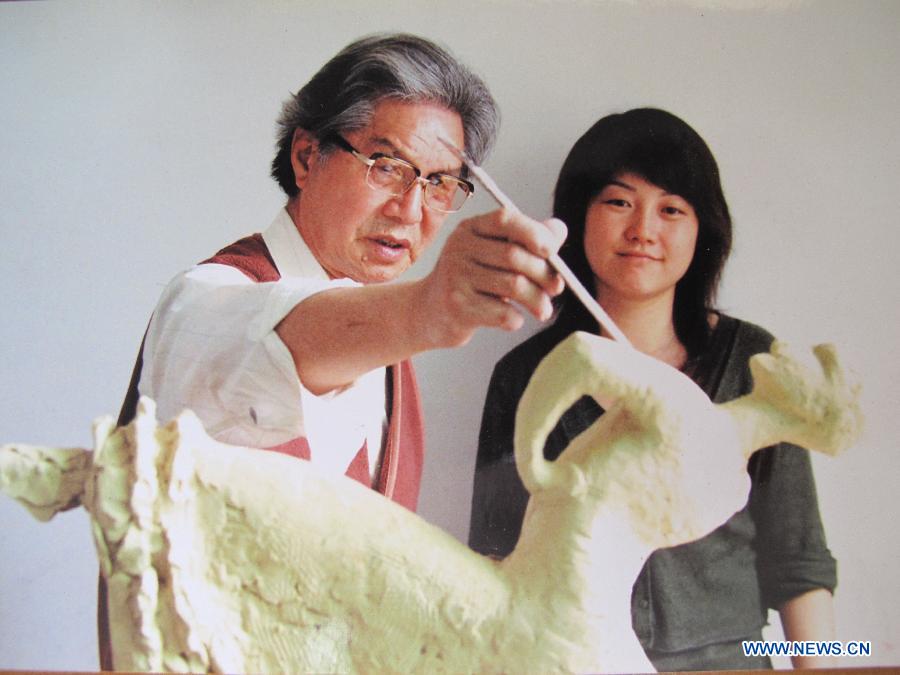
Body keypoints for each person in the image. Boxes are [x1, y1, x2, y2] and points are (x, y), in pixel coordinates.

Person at [98, 33, 566, 669]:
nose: (411, 210)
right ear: (306, 157)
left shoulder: (391, 351)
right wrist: (427, 308)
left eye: (439, 183)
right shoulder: (206, 299)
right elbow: (276, 336)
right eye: (386, 165)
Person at [468, 108, 837, 671]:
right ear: (577, 217)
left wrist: (832, 663)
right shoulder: (523, 377)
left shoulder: (754, 364)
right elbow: (494, 561)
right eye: (618, 202)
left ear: (702, 232)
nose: (643, 229)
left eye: (671, 209)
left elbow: (799, 565)